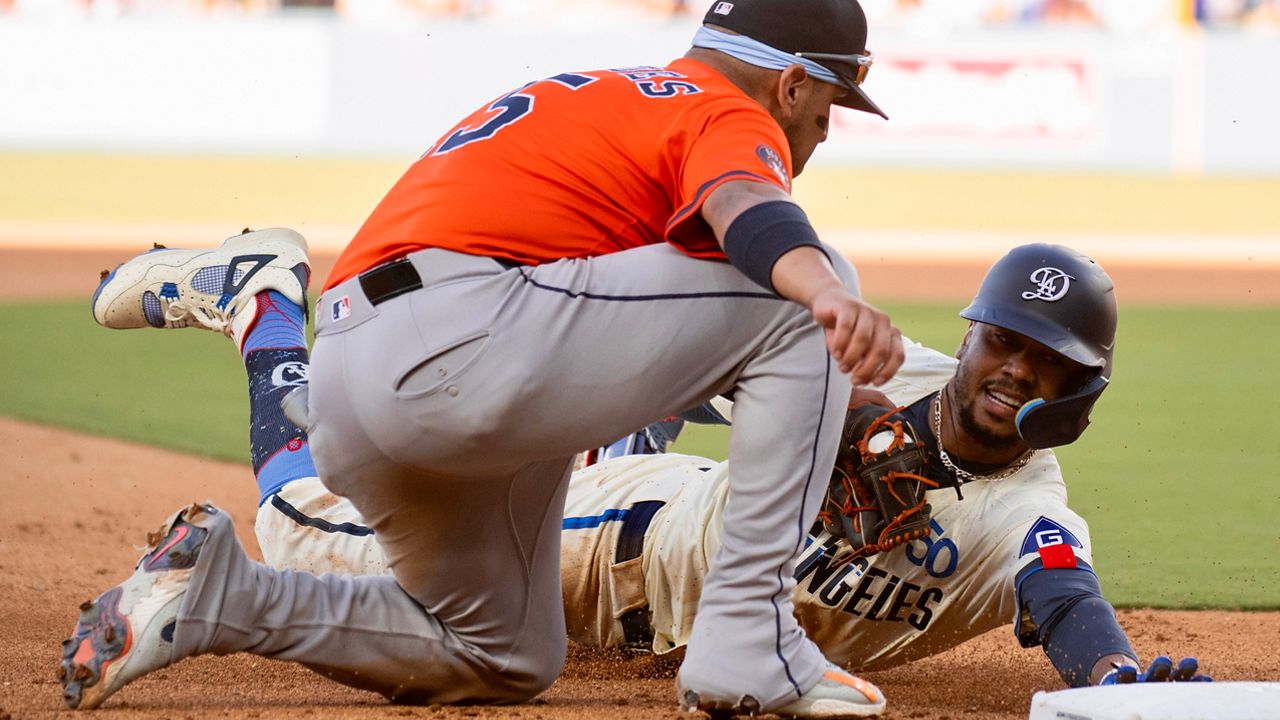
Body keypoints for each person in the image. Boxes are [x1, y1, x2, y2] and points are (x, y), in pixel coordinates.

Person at [65, 0, 906, 717]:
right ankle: (750, 639)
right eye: (829, 104)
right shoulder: (721, 106)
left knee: (500, 651)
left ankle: (220, 599)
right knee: (810, 292)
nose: (824, 130)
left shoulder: (599, 95)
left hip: (359, 376)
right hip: (460, 344)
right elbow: (748, 209)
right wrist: (824, 296)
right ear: (791, 81)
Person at [251, 244, 1203, 687]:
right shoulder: (873, 361)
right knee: (299, 526)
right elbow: (693, 352)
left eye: (1046, 363)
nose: (1014, 369)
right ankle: (266, 308)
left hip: (687, 614)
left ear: (1080, 393)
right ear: (972, 336)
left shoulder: (1028, 519)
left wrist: (1118, 682)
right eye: (1003, 340)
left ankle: (604, 442)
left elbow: (1068, 599)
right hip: (622, 542)